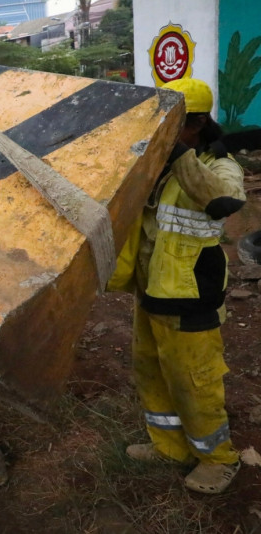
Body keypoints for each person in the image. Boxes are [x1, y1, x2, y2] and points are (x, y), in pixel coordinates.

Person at [108, 78, 246, 494]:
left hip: (190, 294)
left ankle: (218, 460)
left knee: (194, 382)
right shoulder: (159, 164)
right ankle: (170, 447)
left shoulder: (220, 166)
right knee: (151, 370)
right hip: (151, 288)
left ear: (198, 124)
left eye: (172, 123)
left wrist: (180, 154)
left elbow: (223, 201)